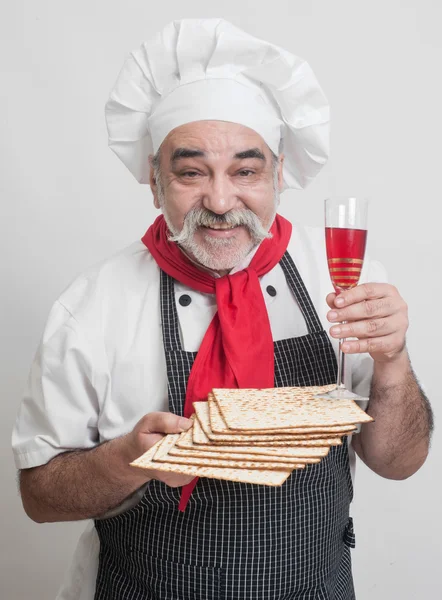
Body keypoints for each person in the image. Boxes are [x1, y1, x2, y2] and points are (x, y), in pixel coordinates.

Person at [12, 18, 433, 600]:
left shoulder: (343, 278)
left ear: (279, 174)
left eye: (246, 170)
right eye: (190, 172)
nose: (219, 200)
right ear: (156, 184)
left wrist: (392, 363)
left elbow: (399, 461)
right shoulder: (94, 307)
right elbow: (38, 497)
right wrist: (126, 462)